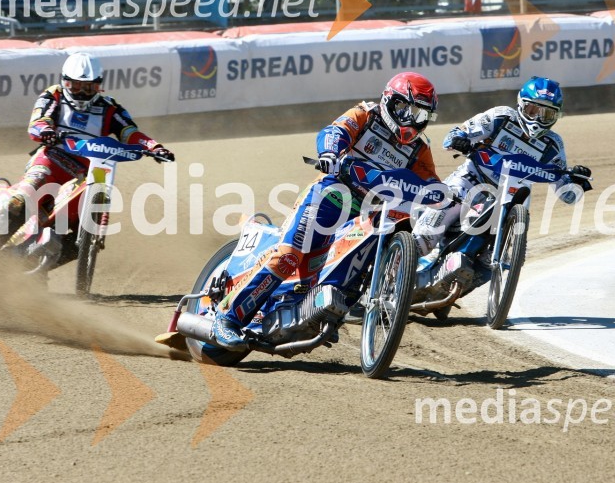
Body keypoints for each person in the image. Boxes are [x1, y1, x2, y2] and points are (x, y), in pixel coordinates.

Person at [212, 72, 440, 350]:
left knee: (362, 260)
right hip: (331, 195)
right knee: (289, 256)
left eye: (419, 114)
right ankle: (227, 319)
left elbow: (432, 184)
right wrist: (330, 153)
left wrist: (446, 197)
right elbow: (335, 132)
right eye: (405, 110)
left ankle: (321, 309)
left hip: (367, 215)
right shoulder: (365, 115)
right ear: (389, 102)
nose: (411, 120)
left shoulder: (419, 149)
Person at [0, 52, 175, 245]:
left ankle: (42, 258)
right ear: (65, 82)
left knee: (89, 232)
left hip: (89, 172)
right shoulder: (53, 94)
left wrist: (154, 147)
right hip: (51, 160)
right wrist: (46, 130)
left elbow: (130, 132)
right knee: (23, 199)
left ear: (99, 86)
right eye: (76, 86)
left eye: (89, 87)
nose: (82, 93)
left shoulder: (110, 108)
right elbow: (39, 121)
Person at [411, 76, 592, 258]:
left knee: (498, 252)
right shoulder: (501, 116)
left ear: (557, 116)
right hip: (470, 180)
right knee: (425, 238)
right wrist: (461, 139)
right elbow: (452, 136)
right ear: (521, 105)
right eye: (533, 110)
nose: (538, 119)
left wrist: (576, 182)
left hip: (511, 196)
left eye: (547, 114)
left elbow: (568, 196)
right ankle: (410, 259)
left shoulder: (553, 145)